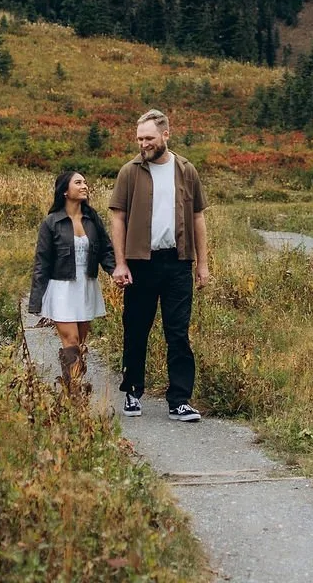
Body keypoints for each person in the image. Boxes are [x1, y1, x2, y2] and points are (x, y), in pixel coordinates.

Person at [109, 108, 210, 421]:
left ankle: (179, 400)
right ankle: (132, 392)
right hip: (141, 263)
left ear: (166, 135)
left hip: (178, 263)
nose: (143, 144)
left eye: (149, 138)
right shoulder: (129, 172)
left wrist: (202, 265)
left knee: (177, 332)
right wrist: (120, 263)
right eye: (140, 139)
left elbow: (197, 218)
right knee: (136, 329)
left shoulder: (186, 170)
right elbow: (117, 217)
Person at [28, 168, 114, 394]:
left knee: (81, 343)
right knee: (71, 340)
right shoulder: (52, 222)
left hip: (86, 287)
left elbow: (106, 250)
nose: (84, 186)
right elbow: (42, 262)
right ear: (65, 191)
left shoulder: (92, 219)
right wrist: (36, 302)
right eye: (78, 183)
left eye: (85, 182)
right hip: (61, 289)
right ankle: (75, 394)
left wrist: (116, 272)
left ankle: (72, 387)